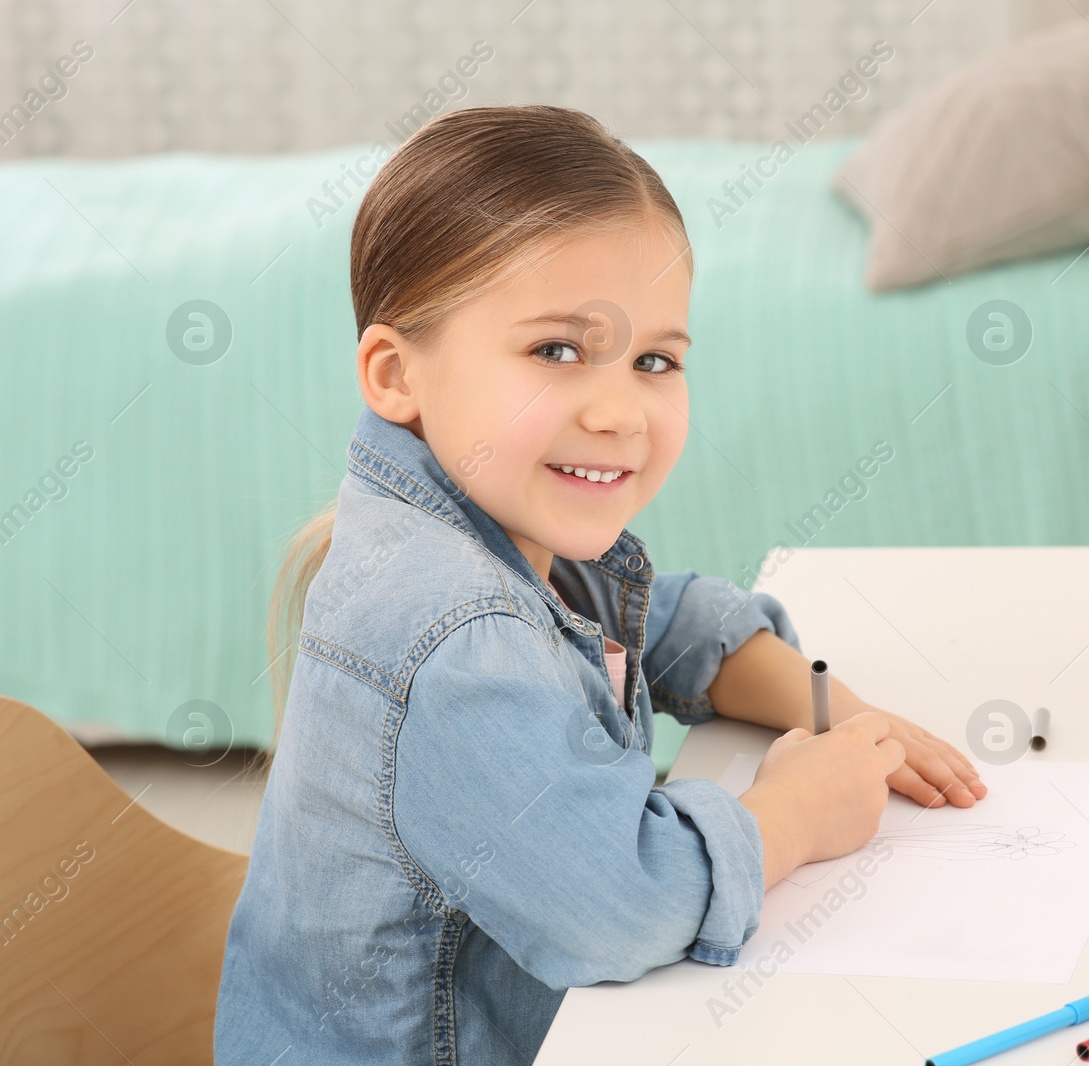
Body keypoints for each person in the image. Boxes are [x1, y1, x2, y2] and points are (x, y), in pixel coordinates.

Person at [214, 104, 985, 1065]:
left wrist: (833, 709)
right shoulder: (452, 631)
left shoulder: (496, 518)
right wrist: (790, 814)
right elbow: (616, 908)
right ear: (396, 373)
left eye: (655, 360)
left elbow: (650, 621)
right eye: (556, 352)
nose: (620, 410)